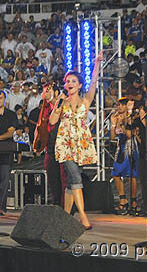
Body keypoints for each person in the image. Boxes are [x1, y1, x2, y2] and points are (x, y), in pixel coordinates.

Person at [49, 51, 103, 230]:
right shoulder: (61, 101)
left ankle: (65, 216)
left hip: (81, 143)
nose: (69, 83)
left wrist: (96, 64)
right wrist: (57, 105)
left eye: (73, 81)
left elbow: (94, 82)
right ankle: (83, 217)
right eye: (67, 81)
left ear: (79, 85)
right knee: (75, 177)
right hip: (65, 144)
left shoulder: (86, 100)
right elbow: (52, 121)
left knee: (72, 182)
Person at [33, 82, 65, 206]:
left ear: (56, 92)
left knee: (63, 180)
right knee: (52, 179)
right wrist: (37, 142)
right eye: (44, 91)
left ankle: (65, 207)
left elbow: (58, 110)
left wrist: (51, 98)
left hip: (62, 148)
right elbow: (39, 125)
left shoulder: (62, 103)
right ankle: (56, 204)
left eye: (48, 90)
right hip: (50, 149)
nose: (45, 93)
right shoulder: (44, 109)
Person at [110, 97, 140, 215]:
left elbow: (129, 134)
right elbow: (112, 137)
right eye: (118, 105)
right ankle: (123, 199)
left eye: (122, 105)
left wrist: (122, 123)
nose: (119, 107)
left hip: (131, 147)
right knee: (115, 174)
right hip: (120, 147)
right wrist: (113, 125)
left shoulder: (131, 118)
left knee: (131, 176)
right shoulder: (116, 118)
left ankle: (133, 202)